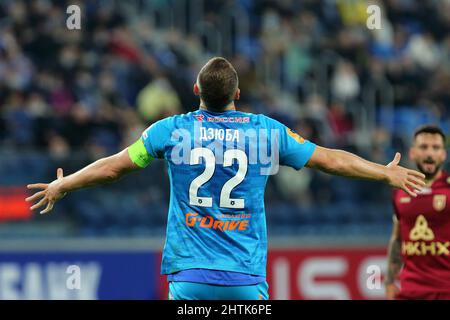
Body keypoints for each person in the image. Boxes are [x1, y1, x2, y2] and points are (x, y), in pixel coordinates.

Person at [26, 57, 425, 300]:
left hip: (189, 276)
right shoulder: (266, 131)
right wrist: (383, 172)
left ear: (196, 89)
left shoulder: (171, 130)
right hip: (245, 277)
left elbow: (114, 166)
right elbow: (329, 159)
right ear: (237, 94)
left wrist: (65, 183)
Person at [385, 125, 450, 300]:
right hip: (410, 292)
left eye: (435, 148)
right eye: (423, 147)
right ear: (412, 153)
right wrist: (389, 283)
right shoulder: (400, 191)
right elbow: (397, 240)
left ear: (443, 154)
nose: (429, 153)